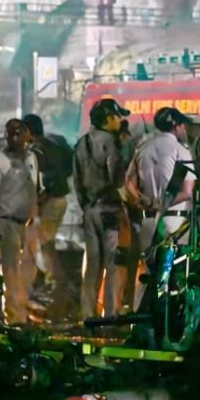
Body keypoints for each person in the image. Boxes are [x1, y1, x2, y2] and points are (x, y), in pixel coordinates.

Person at [126, 106, 197, 307]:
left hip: (148, 220)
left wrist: (142, 200)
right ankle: (166, 316)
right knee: (174, 273)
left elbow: (128, 182)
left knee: (148, 272)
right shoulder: (181, 151)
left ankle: (141, 316)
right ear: (177, 126)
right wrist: (160, 204)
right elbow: (187, 191)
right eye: (183, 125)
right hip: (176, 221)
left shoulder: (143, 148)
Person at [75, 98, 128, 320]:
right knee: (113, 264)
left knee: (92, 266)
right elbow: (118, 180)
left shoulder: (82, 143)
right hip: (110, 210)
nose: (120, 120)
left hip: (89, 209)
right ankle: (110, 315)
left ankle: (88, 315)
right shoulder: (111, 143)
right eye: (117, 116)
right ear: (108, 118)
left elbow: (77, 181)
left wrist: (87, 205)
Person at [0, 118, 42, 325]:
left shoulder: (32, 157)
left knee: (28, 271)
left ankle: (22, 311)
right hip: (7, 222)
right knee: (10, 272)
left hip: (28, 223)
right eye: (12, 133)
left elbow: (35, 187)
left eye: (20, 133)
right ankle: (13, 318)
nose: (17, 138)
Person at [25, 112, 75, 303]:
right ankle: (51, 280)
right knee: (44, 242)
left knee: (45, 243)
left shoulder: (37, 150)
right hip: (59, 199)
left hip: (50, 201)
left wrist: (41, 196)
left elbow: (42, 179)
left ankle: (56, 281)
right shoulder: (56, 143)